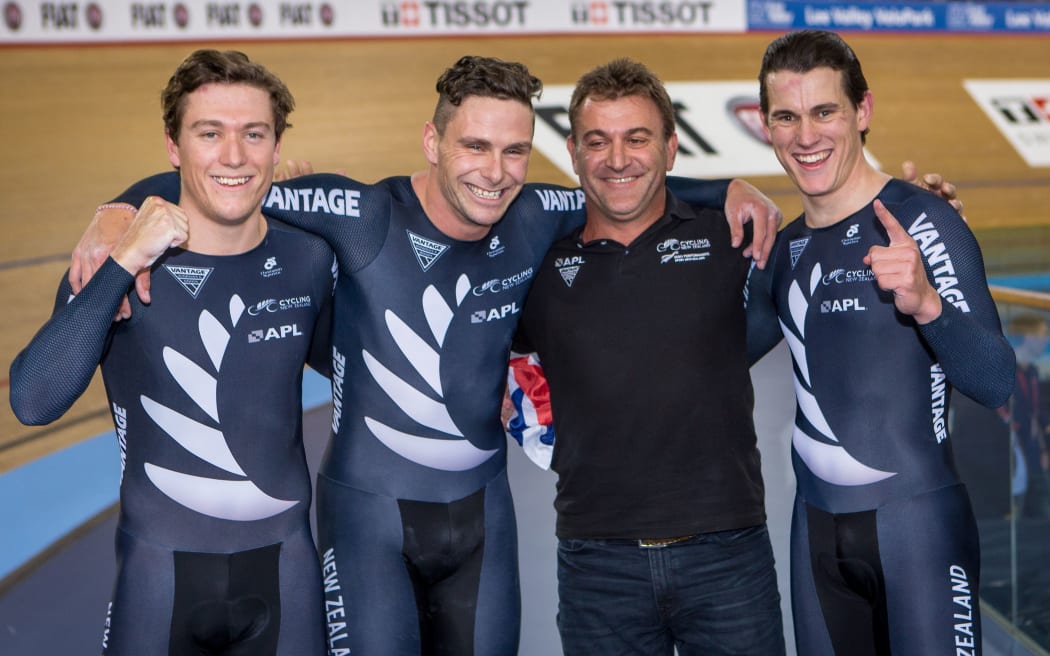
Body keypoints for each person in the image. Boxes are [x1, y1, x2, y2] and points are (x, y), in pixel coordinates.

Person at [72, 55, 782, 655]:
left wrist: (726, 188)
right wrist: (117, 204)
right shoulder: (360, 214)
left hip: (481, 521)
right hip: (366, 523)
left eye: (513, 151)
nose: (495, 173)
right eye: (475, 146)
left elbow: (631, 186)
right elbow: (226, 181)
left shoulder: (534, 213)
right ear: (433, 142)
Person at [9, 50, 334, 655]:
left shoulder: (307, 259)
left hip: (286, 576)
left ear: (277, 143)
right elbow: (32, 400)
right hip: (158, 585)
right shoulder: (117, 265)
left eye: (253, 134)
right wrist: (123, 260)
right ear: (173, 145)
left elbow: (358, 366)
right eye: (209, 133)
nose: (234, 155)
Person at [743, 29, 1016, 655]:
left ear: (862, 112)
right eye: (787, 117)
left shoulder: (924, 220)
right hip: (814, 542)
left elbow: (997, 380)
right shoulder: (784, 253)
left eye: (825, 111)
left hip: (918, 532)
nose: (806, 137)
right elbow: (705, 359)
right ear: (766, 126)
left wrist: (928, 306)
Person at [507, 58, 786, 655]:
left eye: (637, 138)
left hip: (728, 555)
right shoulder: (540, 265)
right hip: (597, 566)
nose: (617, 158)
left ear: (672, 147)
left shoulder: (730, 237)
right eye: (597, 141)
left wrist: (926, 211)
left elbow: (836, 256)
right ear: (574, 153)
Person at [1006, 312, 1050, 518]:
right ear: (1028, 335)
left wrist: (1042, 448)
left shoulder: (1032, 372)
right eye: (1042, 333)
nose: (1045, 339)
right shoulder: (1008, 371)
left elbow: (1036, 416)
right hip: (1012, 459)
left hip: (1033, 456)